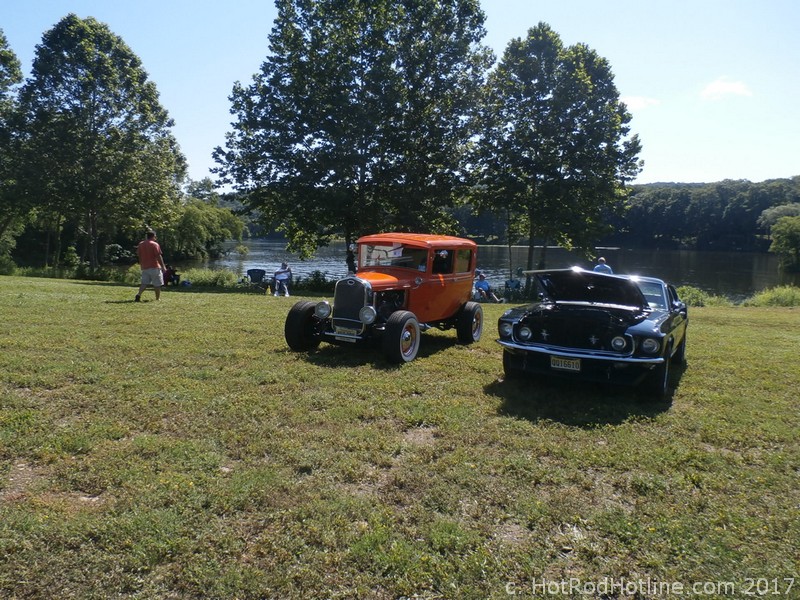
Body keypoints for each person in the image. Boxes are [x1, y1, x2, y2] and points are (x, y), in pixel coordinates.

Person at [135, 230, 166, 301]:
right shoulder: (155, 244)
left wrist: (141, 264)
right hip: (154, 266)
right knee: (157, 284)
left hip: (145, 267)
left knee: (144, 283)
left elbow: (139, 255)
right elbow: (158, 256)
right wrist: (163, 266)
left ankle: (139, 294)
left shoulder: (141, 244)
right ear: (154, 236)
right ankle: (157, 298)